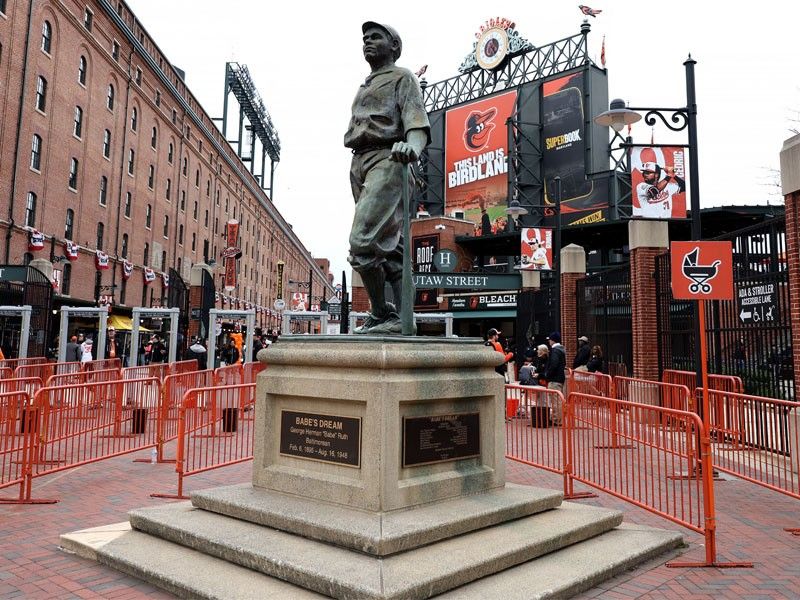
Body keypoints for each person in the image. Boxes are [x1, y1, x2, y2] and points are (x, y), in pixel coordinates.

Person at [345, 21, 430, 335]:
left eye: (375, 36)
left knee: (362, 241)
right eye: (364, 37)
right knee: (389, 251)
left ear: (394, 45)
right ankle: (399, 318)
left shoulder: (403, 76)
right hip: (360, 161)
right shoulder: (366, 83)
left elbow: (417, 124)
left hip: (390, 158)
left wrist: (412, 148)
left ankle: (384, 313)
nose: (367, 40)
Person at [634, 148, 685, 219]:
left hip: (666, 223)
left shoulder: (667, 186)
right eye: (644, 172)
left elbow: (684, 186)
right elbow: (653, 191)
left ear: (656, 175)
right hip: (649, 223)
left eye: (648, 172)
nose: (645, 174)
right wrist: (669, 176)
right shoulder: (641, 186)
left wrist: (674, 175)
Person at [545, 332, 566, 425]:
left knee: (555, 400)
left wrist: (548, 374)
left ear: (552, 340)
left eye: (549, 339)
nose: (549, 341)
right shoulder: (561, 350)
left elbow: (554, 364)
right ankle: (557, 418)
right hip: (559, 378)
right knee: (557, 399)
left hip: (554, 379)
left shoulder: (555, 351)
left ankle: (556, 419)